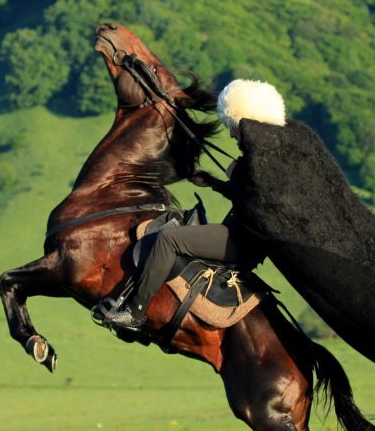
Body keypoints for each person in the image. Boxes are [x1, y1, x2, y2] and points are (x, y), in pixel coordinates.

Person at [100, 78, 285, 331]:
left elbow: (254, 205)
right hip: (237, 236)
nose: (232, 134)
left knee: (168, 239)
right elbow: (244, 195)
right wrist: (213, 182)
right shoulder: (262, 161)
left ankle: (136, 311)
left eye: (235, 129)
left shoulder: (260, 165)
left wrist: (236, 177)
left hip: (239, 242)